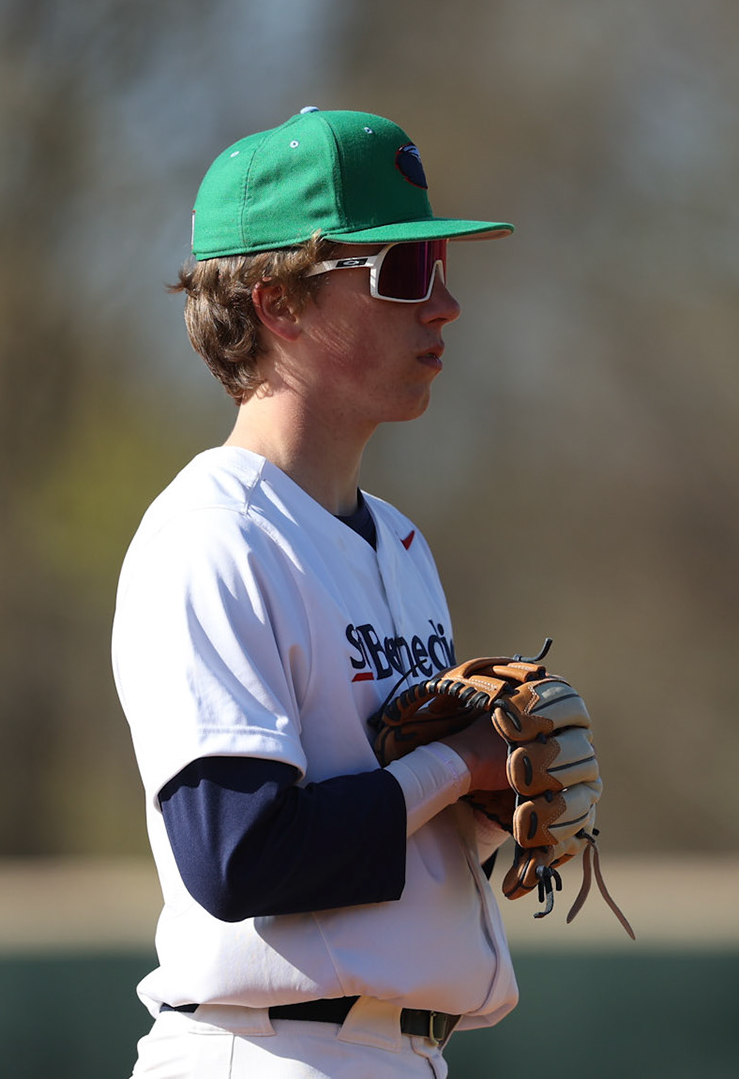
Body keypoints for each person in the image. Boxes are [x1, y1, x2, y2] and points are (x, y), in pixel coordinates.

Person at [112, 107, 520, 1078]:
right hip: (264, 1051)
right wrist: (454, 768)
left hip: (396, 1052)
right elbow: (238, 854)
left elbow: (390, 829)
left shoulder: (402, 543)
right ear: (280, 303)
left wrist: (495, 789)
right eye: (404, 271)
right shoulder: (215, 533)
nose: (445, 304)